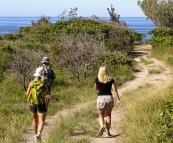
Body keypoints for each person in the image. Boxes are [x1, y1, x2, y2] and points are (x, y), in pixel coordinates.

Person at [94, 66, 122, 137]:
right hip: (109, 97)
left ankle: (101, 126)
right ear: (107, 71)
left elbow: (96, 88)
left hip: (101, 98)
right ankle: (108, 132)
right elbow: (114, 90)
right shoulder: (111, 79)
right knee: (108, 115)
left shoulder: (97, 79)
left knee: (100, 115)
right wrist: (118, 100)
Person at [26, 67, 49, 141]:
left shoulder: (31, 83)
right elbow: (47, 93)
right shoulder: (44, 83)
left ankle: (35, 135)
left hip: (33, 103)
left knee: (34, 119)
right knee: (42, 120)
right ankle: (39, 133)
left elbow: (27, 94)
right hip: (41, 103)